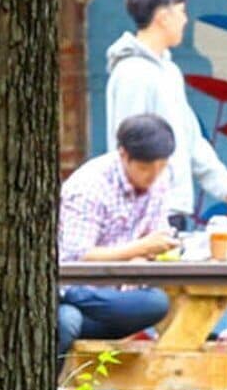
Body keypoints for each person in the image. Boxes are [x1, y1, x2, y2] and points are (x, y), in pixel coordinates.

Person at [100, 0, 227, 227]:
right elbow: (129, 146)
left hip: (172, 209)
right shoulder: (133, 73)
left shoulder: (168, 72)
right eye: (181, 12)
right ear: (163, 17)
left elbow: (189, 138)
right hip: (144, 215)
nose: (185, 20)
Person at [57, 114, 183, 348]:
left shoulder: (160, 181)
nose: (153, 175)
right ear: (124, 155)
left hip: (117, 300)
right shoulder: (90, 186)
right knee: (66, 320)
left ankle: (66, 300)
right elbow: (76, 257)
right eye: (145, 168)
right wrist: (140, 248)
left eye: (161, 167)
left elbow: (155, 233)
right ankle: (64, 297)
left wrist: (159, 248)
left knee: (156, 304)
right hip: (77, 284)